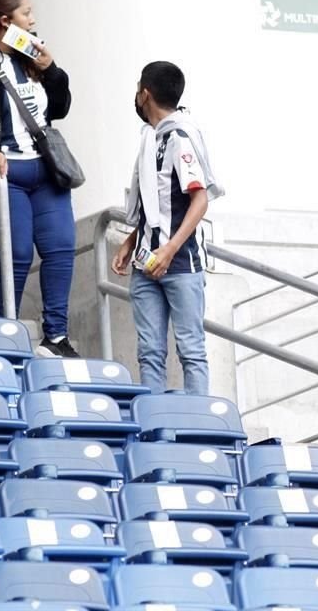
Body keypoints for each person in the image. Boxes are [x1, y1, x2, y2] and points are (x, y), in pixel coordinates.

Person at [0, 0, 78, 358]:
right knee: (18, 251)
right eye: (27, 13)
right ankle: (6, 330)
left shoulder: (30, 59)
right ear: (5, 21)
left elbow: (59, 107)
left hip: (45, 170)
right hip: (5, 172)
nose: (34, 20)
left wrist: (51, 71)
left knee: (60, 249)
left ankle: (55, 336)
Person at [112, 61, 223, 395]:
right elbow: (158, 202)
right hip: (145, 262)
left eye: (137, 90)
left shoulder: (180, 136)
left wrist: (169, 249)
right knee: (149, 353)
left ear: (145, 94)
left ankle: (199, 426)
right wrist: (131, 241)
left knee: (191, 350)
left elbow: (199, 199)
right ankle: (156, 425)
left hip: (180, 264)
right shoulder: (151, 138)